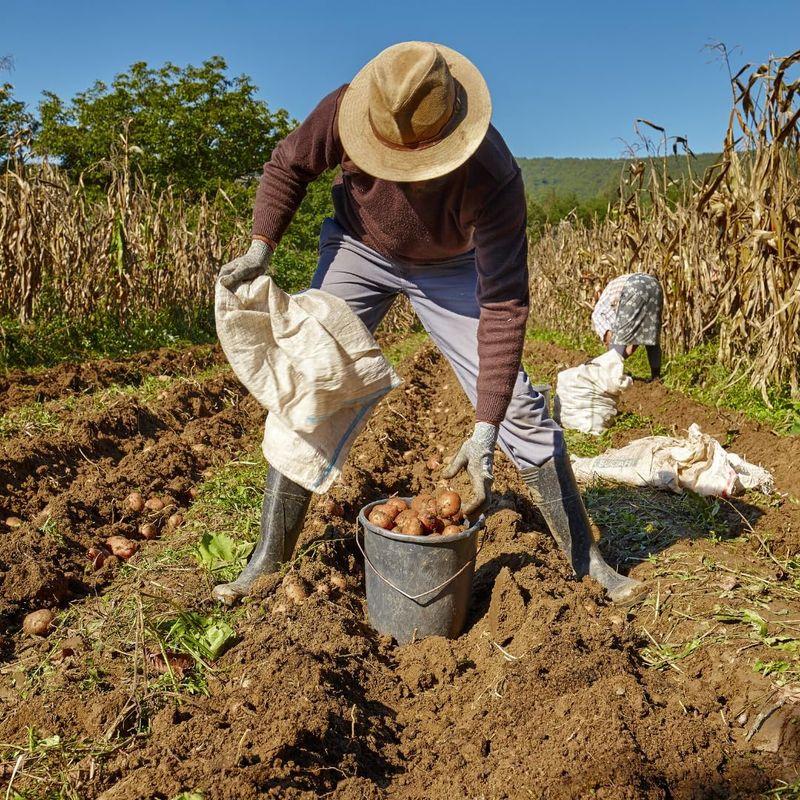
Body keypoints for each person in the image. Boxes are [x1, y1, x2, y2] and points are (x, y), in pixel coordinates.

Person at [213, 41, 642, 605]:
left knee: (517, 408)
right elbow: (289, 163)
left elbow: (505, 304)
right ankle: (268, 560)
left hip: (451, 269)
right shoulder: (347, 109)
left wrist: (485, 427)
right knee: (307, 378)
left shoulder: (493, 174)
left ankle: (588, 562)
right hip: (359, 248)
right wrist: (261, 245)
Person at [591, 274, 663, 380]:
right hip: (655, 286)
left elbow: (612, 336)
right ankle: (656, 378)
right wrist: (625, 353)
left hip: (633, 286)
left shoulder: (597, 315)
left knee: (619, 339)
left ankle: (613, 378)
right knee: (651, 333)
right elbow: (640, 334)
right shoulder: (610, 305)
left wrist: (614, 355)